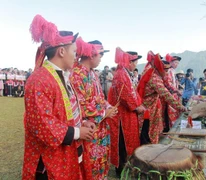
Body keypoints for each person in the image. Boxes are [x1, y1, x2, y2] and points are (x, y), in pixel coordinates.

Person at [22, 15, 94, 180]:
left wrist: (82, 123)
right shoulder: (39, 79)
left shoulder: (63, 76)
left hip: (67, 151)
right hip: (49, 160)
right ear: (62, 51)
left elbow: (64, 113)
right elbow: (42, 125)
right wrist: (78, 132)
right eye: (74, 52)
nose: (76, 57)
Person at [70, 37, 117, 179]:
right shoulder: (77, 74)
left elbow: (100, 97)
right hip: (89, 129)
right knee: (90, 163)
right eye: (101, 54)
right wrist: (104, 112)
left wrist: (109, 106)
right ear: (92, 54)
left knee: (101, 160)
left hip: (101, 127)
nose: (102, 59)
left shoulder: (92, 73)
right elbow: (79, 104)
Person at [108, 48, 145, 177]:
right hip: (121, 117)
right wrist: (137, 107)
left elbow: (131, 93)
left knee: (126, 143)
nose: (135, 64)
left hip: (126, 114)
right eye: (134, 62)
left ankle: (126, 167)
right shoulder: (121, 74)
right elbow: (126, 96)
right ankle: (121, 170)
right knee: (122, 143)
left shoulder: (124, 73)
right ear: (129, 62)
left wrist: (138, 104)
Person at [137, 51, 187, 144]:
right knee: (147, 133)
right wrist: (181, 107)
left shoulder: (152, 72)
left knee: (150, 131)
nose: (167, 73)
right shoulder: (155, 78)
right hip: (148, 109)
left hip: (150, 106)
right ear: (161, 69)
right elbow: (166, 95)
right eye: (166, 71)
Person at [162, 53, 182, 131]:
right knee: (171, 113)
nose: (177, 64)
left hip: (174, 95)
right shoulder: (169, 71)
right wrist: (176, 90)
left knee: (175, 112)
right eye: (175, 62)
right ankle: (171, 129)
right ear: (170, 62)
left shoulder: (173, 71)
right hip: (170, 95)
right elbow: (168, 83)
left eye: (178, 63)